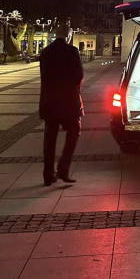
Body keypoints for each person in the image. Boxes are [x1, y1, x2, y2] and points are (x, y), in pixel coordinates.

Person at [39, 23, 84, 186]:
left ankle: (48, 174)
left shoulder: (46, 52)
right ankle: (63, 169)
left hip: (49, 101)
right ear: (69, 35)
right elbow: (78, 75)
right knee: (74, 131)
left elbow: (43, 77)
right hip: (67, 102)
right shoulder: (71, 51)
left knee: (49, 138)